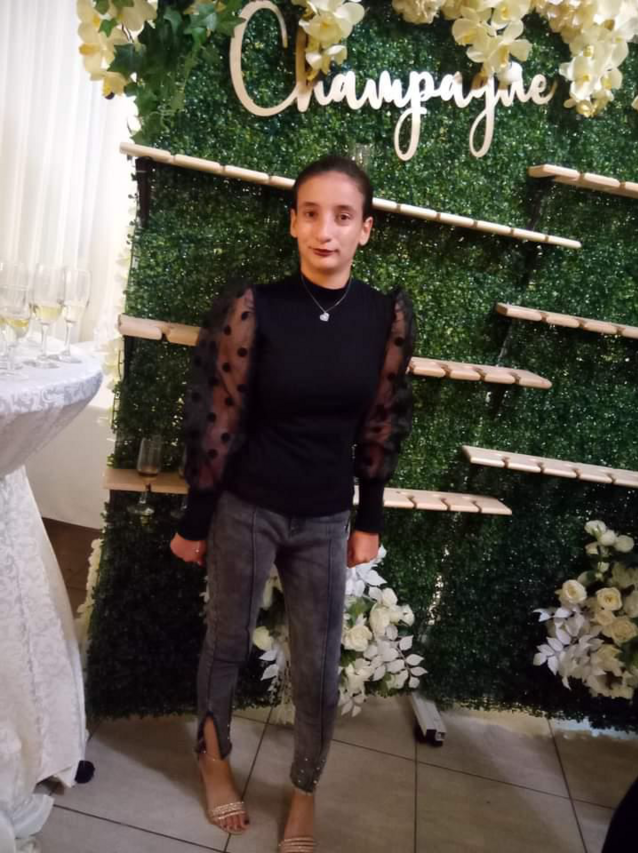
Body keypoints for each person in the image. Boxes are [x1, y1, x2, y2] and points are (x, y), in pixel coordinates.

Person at [170, 154, 416, 852]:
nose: (325, 230)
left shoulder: (384, 316)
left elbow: (383, 420)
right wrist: (195, 520)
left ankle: (304, 788)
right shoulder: (258, 304)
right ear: (293, 223)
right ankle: (213, 758)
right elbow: (217, 415)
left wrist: (370, 518)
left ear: (365, 229)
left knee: (317, 666)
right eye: (311, 214)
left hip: (326, 516)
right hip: (247, 505)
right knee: (225, 641)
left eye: (342, 216)